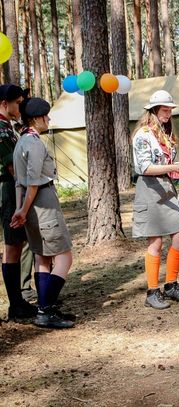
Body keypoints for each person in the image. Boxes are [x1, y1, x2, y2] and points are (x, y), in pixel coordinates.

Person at [10, 97, 73, 328]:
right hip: (42, 202)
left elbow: (19, 182)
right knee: (65, 256)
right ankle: (45, 310)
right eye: (46, 116)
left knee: (42, 257)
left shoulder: (20, 141)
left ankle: (46, 307)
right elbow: (34, 183)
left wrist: (20, 209)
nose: (49, 119)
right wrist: (24, 211)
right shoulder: (34, 143)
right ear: (36, 119)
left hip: (29, 204)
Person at [132, 90, 179, 310]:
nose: (168, 113)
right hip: (149, 188)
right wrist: (172, 168)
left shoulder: (165, 134)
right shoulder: (143, 134)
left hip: (166, 186)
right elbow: (144, 167)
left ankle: (171, 285)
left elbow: (168, 166)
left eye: (170, 110)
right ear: (154, 111)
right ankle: (152, 291)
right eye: (165, 110)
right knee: (155, 242)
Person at [0, 84, 36, 320]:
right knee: (12, 247)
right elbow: (13, 167)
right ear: (5, 103)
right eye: (17, 103)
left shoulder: (8, 127)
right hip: (7, 190)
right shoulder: (1, 131)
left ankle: (17, 302)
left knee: (16, 245)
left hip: (11, 190)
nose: (20, 107)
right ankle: (16, 305)